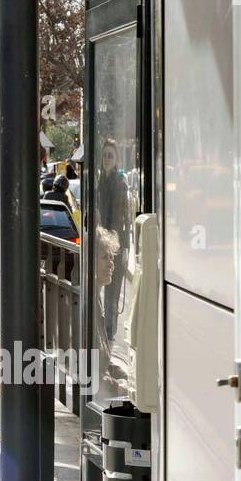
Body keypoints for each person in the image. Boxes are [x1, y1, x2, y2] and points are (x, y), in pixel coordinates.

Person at [96, 139, 130, 338]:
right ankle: (103, 335)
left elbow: (119, 221)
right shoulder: (100, 180)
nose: (107, 159)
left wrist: (116, 249)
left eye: (111, 155)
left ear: (116, 160)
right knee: (101, 292)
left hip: (113, 247)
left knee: (112, 295)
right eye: (105, 155)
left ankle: (109, 336)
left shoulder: (119, 183)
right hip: (102, 245)